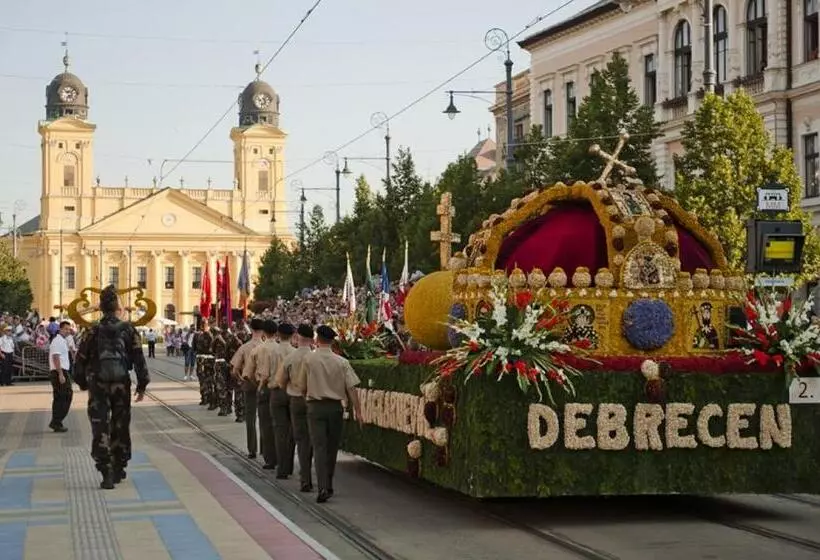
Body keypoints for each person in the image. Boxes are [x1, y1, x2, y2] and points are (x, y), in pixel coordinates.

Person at [74, 285, 149, 489]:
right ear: (118, 307)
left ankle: (105, 469)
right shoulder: (129, 330)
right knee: (120, 424)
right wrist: (142, 385)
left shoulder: (92, 331)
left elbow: (79, 362)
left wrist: (82, 383)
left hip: (98, 386)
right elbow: (139, 360)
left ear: (101, 308)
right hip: (121, 385)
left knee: (100, 426)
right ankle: (119, 466)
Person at [302, 325, 363, 503]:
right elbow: (351, 388)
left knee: (319, 447)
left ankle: (322, 487)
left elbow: (301, 384)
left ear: (317, 339)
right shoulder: (342, 362)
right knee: (331, 448)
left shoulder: (309, 360)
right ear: (332, 341)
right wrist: (358, 410)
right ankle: (328, 483)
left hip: (315, 407)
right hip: (335, 408)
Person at [276, 323, 315, 492]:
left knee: (300, 439)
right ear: (312, 339)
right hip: (314, 400)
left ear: (297, 337)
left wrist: (289, 390)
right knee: (314, 438)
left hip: (296, 400)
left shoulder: (290, 357)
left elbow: (280, 381)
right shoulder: (315, 357)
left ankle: (304, 477)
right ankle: (311, 475)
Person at [231, 317, 264, 458]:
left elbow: (234, 369)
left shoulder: (244, 347)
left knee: (250, 418)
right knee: (265, 419)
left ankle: (252, 449)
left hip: (249, 384)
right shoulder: (267, 347)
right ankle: (265, 448)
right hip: (264, 385)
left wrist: (240, 380)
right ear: (263, 330)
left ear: (250, 329)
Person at [266, 322, 296, 479]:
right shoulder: (295, 352)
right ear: (292, 335)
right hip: (292, 391)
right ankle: (289, 465)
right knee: (292, 431)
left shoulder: (272, 351)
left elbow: (266, 371)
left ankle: (281, 468)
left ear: (278, 334)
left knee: (279, 430)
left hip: (276, 391)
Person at [252, 320, 278, 469]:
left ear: (263, 333)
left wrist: (259, 386)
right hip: (281, 389)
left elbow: (248, 372)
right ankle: (282, 458)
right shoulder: (285, 350)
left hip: (265, 388)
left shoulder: (258, 350)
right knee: (281, 427)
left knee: (266, 425)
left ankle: (269, 458)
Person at [48, 321, 74, 433]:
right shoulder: (57, 341)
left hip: (62, 370)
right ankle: (56, 421)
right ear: (60, 329)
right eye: (66, 329)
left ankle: (56, 421)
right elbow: (56, 357)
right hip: (59, 371)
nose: (68, 331)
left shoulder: (63, 341)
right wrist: (60, 374)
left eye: (69, 329)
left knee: (62, 397)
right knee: (64, 396)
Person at [194, 321, 215, 405]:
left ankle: (210, 398)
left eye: (205, 325)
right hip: (200, 360)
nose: (203, 327)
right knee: (201, 380)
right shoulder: (198, 335)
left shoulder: (210, 336)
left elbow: (212, 349)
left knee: (209, 380)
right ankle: (204, 397)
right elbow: (194, 347)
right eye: (202, 325)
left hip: (208, 360)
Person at [212, 326, 231, 416]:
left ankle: (226, 408)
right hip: (223, 364)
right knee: (223, 386)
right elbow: (212, 349)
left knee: (223, 387)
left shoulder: (231, 337)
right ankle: (226, 408)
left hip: (225, 364)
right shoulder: (217, 339)